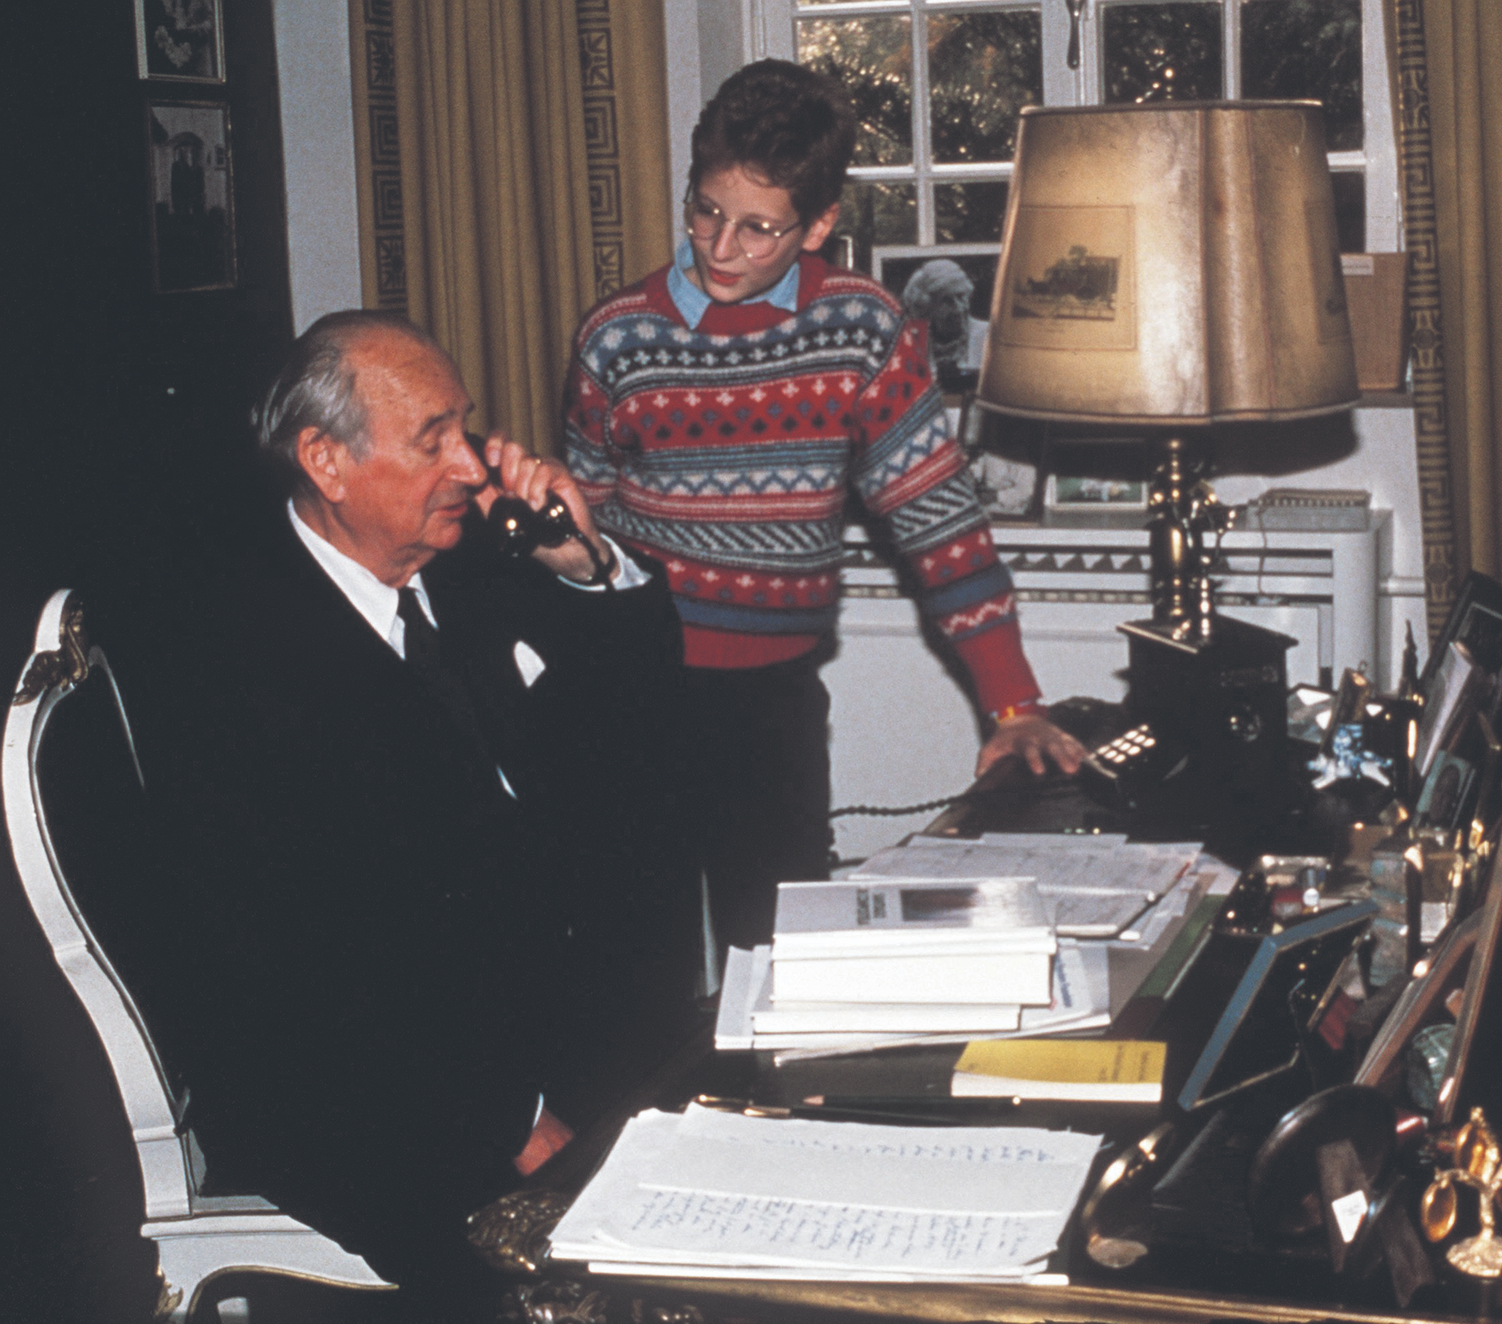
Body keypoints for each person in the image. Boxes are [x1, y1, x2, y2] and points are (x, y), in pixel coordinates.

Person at [104, 310, 699, 1313]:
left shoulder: (468, 569)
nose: (472, 464)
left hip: (517, 1011)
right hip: (371, 1087)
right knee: (617, 1276)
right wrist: (514, 1119)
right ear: (325, 462)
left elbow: (647, 723)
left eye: (467, 428)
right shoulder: (237, 663)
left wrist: (588, 567)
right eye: (435, 439)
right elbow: (309, 968)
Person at [562, 59, 1086, 954]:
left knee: (777, 948)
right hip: (635, 690)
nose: (720, 249)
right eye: (705, 212)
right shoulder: (617, 337)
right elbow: (589, 536)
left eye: (760, 229)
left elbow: (940, 522)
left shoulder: (867, 329)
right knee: (630, 957)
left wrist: (1014, 703)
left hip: (773, 704)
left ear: (820, 225)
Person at [901, 258, 991, 392]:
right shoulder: (910, 344)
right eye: (947, 301)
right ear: (927, 307)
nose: (959, 308)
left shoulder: (990, 337)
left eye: (961, 297)